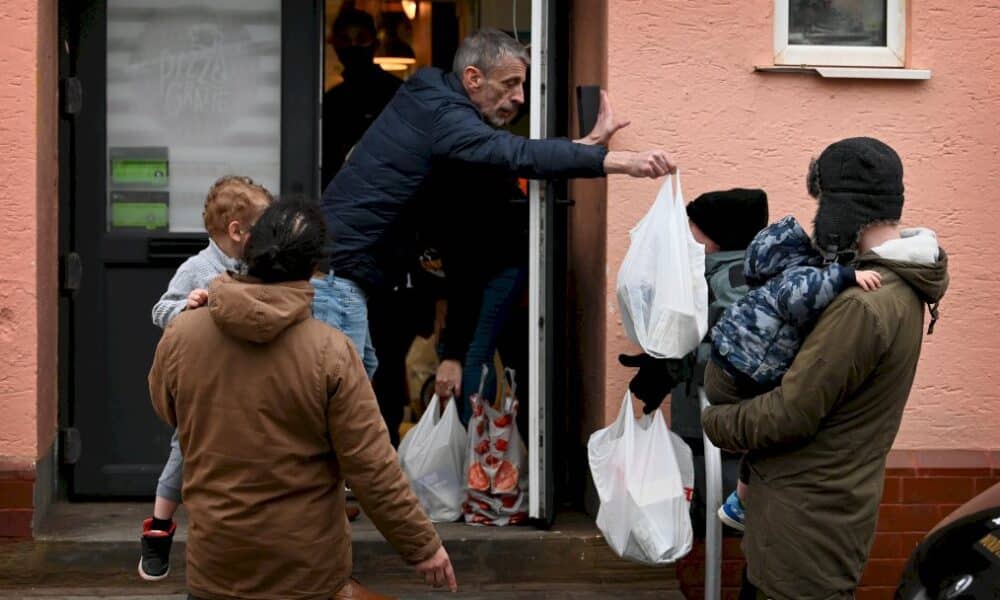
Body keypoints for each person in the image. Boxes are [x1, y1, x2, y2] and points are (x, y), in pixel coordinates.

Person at [313, 27, 675, 380]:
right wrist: (623, 162)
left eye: (521, 84)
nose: (520, 96)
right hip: (337, 278)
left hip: (340, 272)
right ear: (472, 78)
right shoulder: (447, 119)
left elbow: (509, 154)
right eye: (509, 84)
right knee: (338, 400)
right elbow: (515, 153)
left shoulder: (427, 92)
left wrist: (588, 142)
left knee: (356, 390)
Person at [148, 196, 457, 600]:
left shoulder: (184, 335)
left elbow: (166, 407)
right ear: (314, 269)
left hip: (215, 568)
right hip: (305, 574)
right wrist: (423, 547)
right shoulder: (331, 351)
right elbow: (372, 467)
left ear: (251, 249)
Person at [702, 137, 950, 600]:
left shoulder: (862, 305)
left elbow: (790, 412)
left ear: (839, 209)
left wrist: (714, 421)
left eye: (821, 204)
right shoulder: (900, 287)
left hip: (803, 532)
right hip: (819, 517)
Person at [707, 214, 885, 531]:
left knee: (762, 444)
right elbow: (800, 297)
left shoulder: (770, 282)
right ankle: (741, 502)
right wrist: (845, 276)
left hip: (727, 366)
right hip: (741, 373)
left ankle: (740, 502)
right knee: (772, 439)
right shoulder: (793, 279)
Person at [140, 175, 273, 582]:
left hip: (245, 381)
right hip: (205, 383)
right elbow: (159, 311)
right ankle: (159, 527)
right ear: (237, 231)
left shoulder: (258, 267)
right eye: (262, 230)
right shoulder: (197, 268)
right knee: (184, 446)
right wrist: (187, 305)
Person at [617, 187, 769, 533]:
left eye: (693, 228)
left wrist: (672, 365)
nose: (686, 235)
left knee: (720, 517)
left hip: (727, 432)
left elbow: (736, 351)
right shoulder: (715, 273)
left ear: (717, 238)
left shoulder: (734, 281)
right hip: (706, 426)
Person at [321, 8, 402, 189]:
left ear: (376, 43)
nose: (353, 46)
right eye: (345, 40)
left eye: (361, 38)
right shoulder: (331, 101)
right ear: (334, 45)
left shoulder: (399, 94)